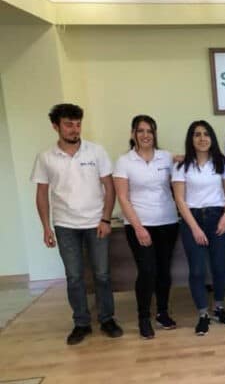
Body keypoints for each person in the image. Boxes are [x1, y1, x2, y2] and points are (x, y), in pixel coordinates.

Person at [31, 103, 123, 345]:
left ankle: (107, 319)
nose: (74, 129)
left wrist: (106, 218)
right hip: (65, 225)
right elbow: (41, 194)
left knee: (102, 274)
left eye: (78, 124)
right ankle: (81, 323)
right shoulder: (45, 157)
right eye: (69, 124)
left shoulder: (96, 151)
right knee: (74, 276)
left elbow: (109, 186)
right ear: (56, 126)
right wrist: (46, 227)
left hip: (96, 223)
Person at [114, 114, 180, 340]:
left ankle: (162, 312)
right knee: (147, 271)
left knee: (164, 271)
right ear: (133, 134)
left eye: (149, 131)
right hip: (139, 225)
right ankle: (144, 317)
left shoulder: (166, 157)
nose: (145, 135)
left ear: (154, 134)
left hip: (168, 222)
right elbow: (122, 198)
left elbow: (188, 162)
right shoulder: (124, 161)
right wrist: (139, 227)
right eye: (140, 131)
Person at [172, 120, 225, 336]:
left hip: (218, 217)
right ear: (191, 139)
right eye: (197, 134)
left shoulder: (221, 163)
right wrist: (195, 228)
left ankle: (218, 307)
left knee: (219, 267)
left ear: (212, 138)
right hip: (192, 219)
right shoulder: (181, 166)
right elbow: (180, 200)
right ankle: (202, 313)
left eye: (206, 134)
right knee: (197, 270)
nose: (202, 138)